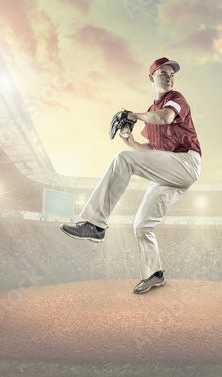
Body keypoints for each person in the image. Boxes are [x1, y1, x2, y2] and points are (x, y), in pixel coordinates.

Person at [61, 57, 202, 293]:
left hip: (185, 162)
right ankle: (154, 274)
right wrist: (132, 141)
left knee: (122, 159)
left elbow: (166, 118)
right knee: (141, 225)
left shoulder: (175, 99)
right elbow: (150, 151)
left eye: (172, 74)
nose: (169, 77)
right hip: (168, 171)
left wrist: (133, 116)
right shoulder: (149, 111)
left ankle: (95, 224)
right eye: (163, 73)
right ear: (151, 77)